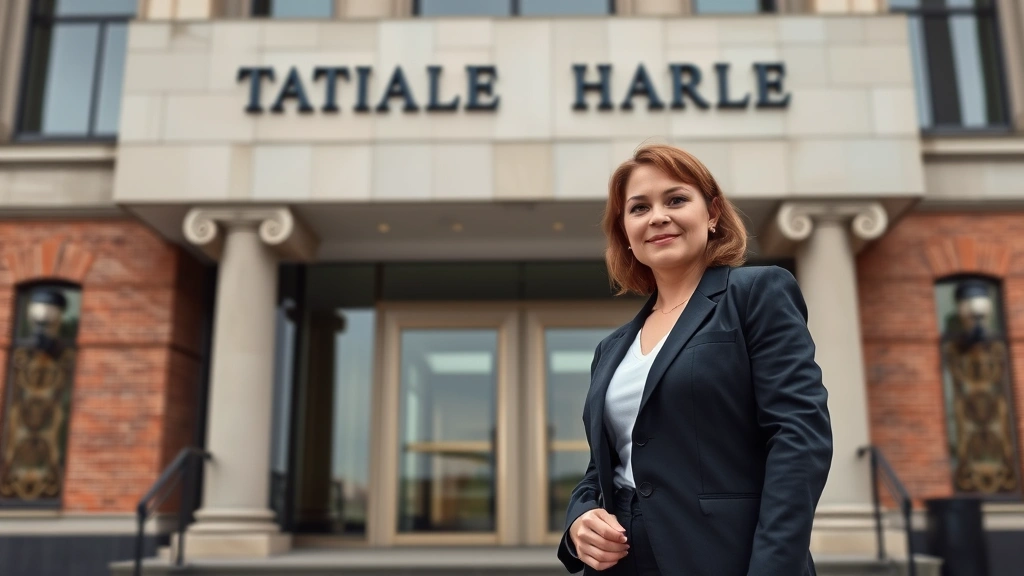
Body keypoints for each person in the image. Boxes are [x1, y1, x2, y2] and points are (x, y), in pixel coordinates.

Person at [556, 144, 833, 575]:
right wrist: (580, 519)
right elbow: (603, 466)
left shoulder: (756, 294)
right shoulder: (611, 349)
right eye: (639, 208)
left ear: (713, 213)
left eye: (676, 199)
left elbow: (799, 437)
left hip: (727, 558)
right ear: (625, 232)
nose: (658, 217)